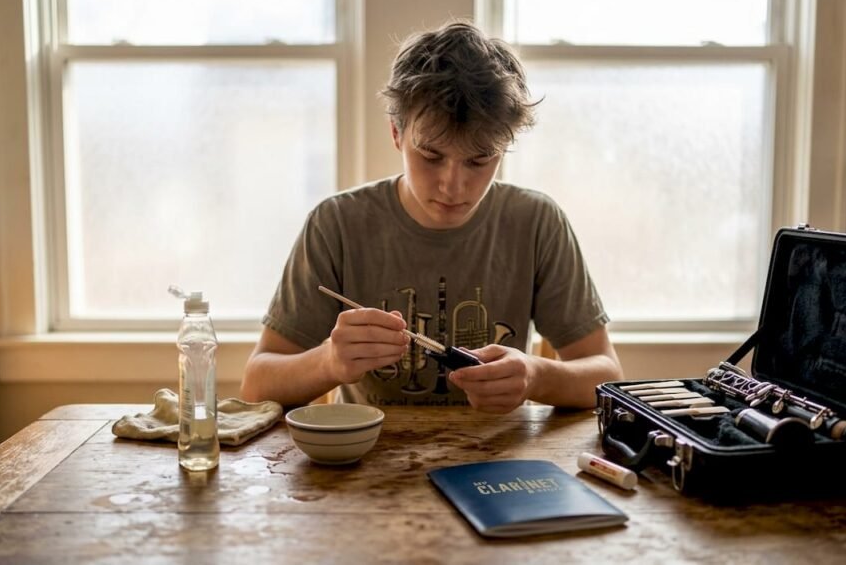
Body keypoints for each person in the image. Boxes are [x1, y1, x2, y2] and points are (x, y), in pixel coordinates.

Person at [241, 21, 623, 413]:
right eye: (431, 157)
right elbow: (257, 386)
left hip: (497, 462)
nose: (453, 186)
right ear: (396, 133)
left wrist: (535, 376)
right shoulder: (337, 223)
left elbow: (607, 376)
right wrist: (329, 362)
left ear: (504, 148)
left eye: (479, 160)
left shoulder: (537, 221)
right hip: (368, 460)